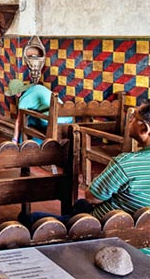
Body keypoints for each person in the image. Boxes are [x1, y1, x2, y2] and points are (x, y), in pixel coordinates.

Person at [20, 102, 150, 238]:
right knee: (80, 205)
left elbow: (92, 196)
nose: (130, 120)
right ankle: (69, 220)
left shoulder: (127, 164)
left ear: (145, 129)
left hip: (106, 233)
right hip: (142, 237)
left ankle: (68, 233)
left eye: (134, 117)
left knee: (30, 219)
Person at [5, 79, 73, 144]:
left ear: (17, 93)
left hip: (53, 121)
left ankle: (21, 143)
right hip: (69, 118)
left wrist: (14, 139)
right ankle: (36, 140)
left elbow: (19, 122)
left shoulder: (23, 100)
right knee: (36, 120)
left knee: (27, 120)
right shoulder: (38, 86)